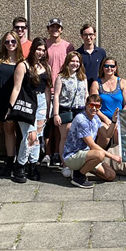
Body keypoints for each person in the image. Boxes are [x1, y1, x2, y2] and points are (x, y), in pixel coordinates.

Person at [8, 37, 51, 183]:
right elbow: (16, 87)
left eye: (43, 50)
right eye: (38, 49)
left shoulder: (46, 67)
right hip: (27, 103)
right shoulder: (23, 65)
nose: (41, 52)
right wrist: (10, 107)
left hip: (41, 103)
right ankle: (20, 165)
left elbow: (47, 90)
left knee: (38, 138)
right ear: (33, 50)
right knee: (29, 137)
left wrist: (48, 109)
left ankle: (33, 166)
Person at [63, 94, 122, 189]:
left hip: (86, 154)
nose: (94, 108)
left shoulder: (95, 118)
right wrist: (113, 157)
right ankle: (78, 176)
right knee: (99, 155)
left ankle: (83, 168)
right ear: (86, 105)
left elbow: (107, 134)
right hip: (73, 155)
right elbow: (92, 145)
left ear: (100, 107)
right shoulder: (81, 120)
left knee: (111, 175)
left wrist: (114, 121)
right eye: (91, 105)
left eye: (97, 106)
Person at [0, 30, 23, 177]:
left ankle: (9, 162)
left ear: (17, 43)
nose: (10, 44)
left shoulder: (21, 60)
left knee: (10, 130)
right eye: (7, 41)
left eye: (13, 41)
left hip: (11, 100)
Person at [53, 51, 89, 178]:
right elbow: (56, 96)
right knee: (65, 136)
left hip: (80, 110)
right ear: (68, 62)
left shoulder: (82, 77)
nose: (75, 64)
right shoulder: (61, 77)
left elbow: (86, 95)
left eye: (77, 61)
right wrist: (56, 114)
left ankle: (76, 163)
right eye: (72, 61)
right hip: (65, 110)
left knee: (79, 138)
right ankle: (65, 164)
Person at [44, 17, 75, 166]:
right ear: (48, 29)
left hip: (62, 90)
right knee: (47, 123)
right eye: (52, 27)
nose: (55, 30)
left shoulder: (68, 46)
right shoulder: (44, 45)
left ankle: (57, 153)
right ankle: (47, 154)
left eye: (58, 27)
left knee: (59, 123)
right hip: (46, 88)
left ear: (61, 30)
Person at [90, 56, 126, 132]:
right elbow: (94, 106)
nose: (109, 68)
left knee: (118, 133)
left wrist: (119, 119)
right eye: (106, 66)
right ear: (102, 68)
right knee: (105, 135)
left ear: (115, 68)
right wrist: (106, 119)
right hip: (102, 119)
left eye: (112, 66)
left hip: (120, 119)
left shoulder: (123, 83)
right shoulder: (96, 84)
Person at [76, 23, 106, 89]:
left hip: (97, 87)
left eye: (90, 34)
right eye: (85, 35)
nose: (88, 37)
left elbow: (104, 70)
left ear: (95, 35)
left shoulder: (101, 52)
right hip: (81, 87)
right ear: (82, 36)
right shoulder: (77, 53)